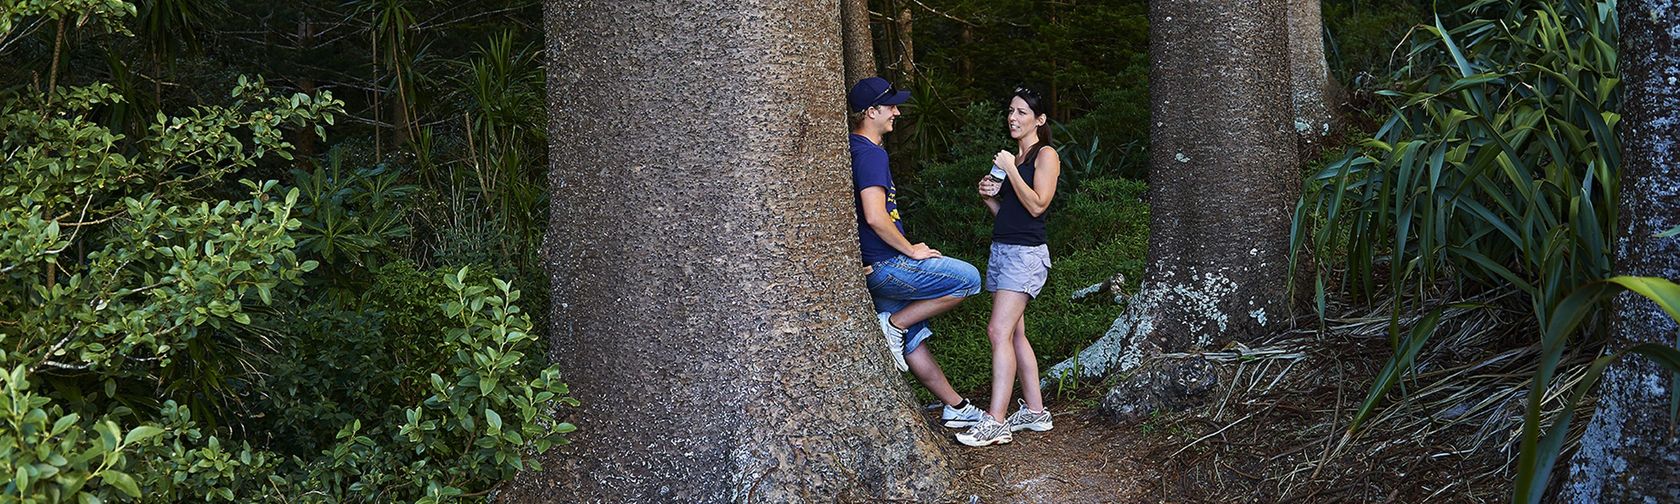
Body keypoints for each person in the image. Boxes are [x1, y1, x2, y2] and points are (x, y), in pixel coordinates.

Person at [848, 77, 985, 429]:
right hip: (885, 265)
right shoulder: (870, 153)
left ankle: (955, 406)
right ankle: (893, 323)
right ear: (871, 112)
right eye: (890, 106)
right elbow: (876, 216)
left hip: (872, 267)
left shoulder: (854, 149)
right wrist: (912, 250)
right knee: (968, 280)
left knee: (914, 340)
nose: (897, 111)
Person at [956, 86, 1060, 447]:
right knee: (1015, 334)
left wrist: (1010, 171)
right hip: (1004, 250)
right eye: (1011, 111)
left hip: (1025, 256)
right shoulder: (1013, 160)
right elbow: (1012, 216)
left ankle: (995, 421)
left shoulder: (1045, 155)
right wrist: (989, 199)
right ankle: (1035, 412)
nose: (1013, 118)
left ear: (1039, 120)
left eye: (1022, 112)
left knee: (997, 332)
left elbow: (1037, 206)